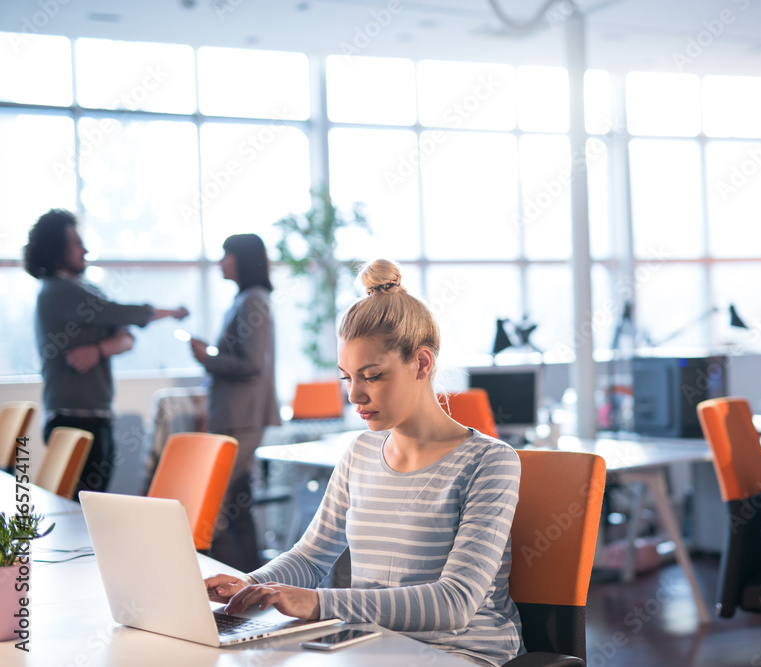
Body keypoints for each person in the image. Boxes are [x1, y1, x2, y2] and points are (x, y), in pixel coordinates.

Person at [204, 259, 524, 667]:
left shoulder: (489, 462)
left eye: (371, 376)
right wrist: (250, 584)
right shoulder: (360, 453)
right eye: (346, 378)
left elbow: (455, 603)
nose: (354, 395)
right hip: (373, 647)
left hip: (461, 653)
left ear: (421, 364)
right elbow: (310, 557)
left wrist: (317, 603)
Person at [23, 209, 188, 498]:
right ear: (56, 249)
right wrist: (172, 312)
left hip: (96, 416)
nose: (85, 250)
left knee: (88, 505)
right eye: (76, 243)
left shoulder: (87, 290)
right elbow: (124, 314)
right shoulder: (59, 291)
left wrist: (98, 349)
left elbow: (126, 337)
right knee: (80, 508)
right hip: (73, 418)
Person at [188, 233, 281, 573]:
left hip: (241, 418)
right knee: (238, 507)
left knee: (216, 506)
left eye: (226, 254)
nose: (221, 262)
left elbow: (252, 364)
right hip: (235, 416)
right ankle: (253, 581)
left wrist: (206, 359)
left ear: (242, 260)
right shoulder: (246, 299)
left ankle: (229, 582)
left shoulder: (252, 301)